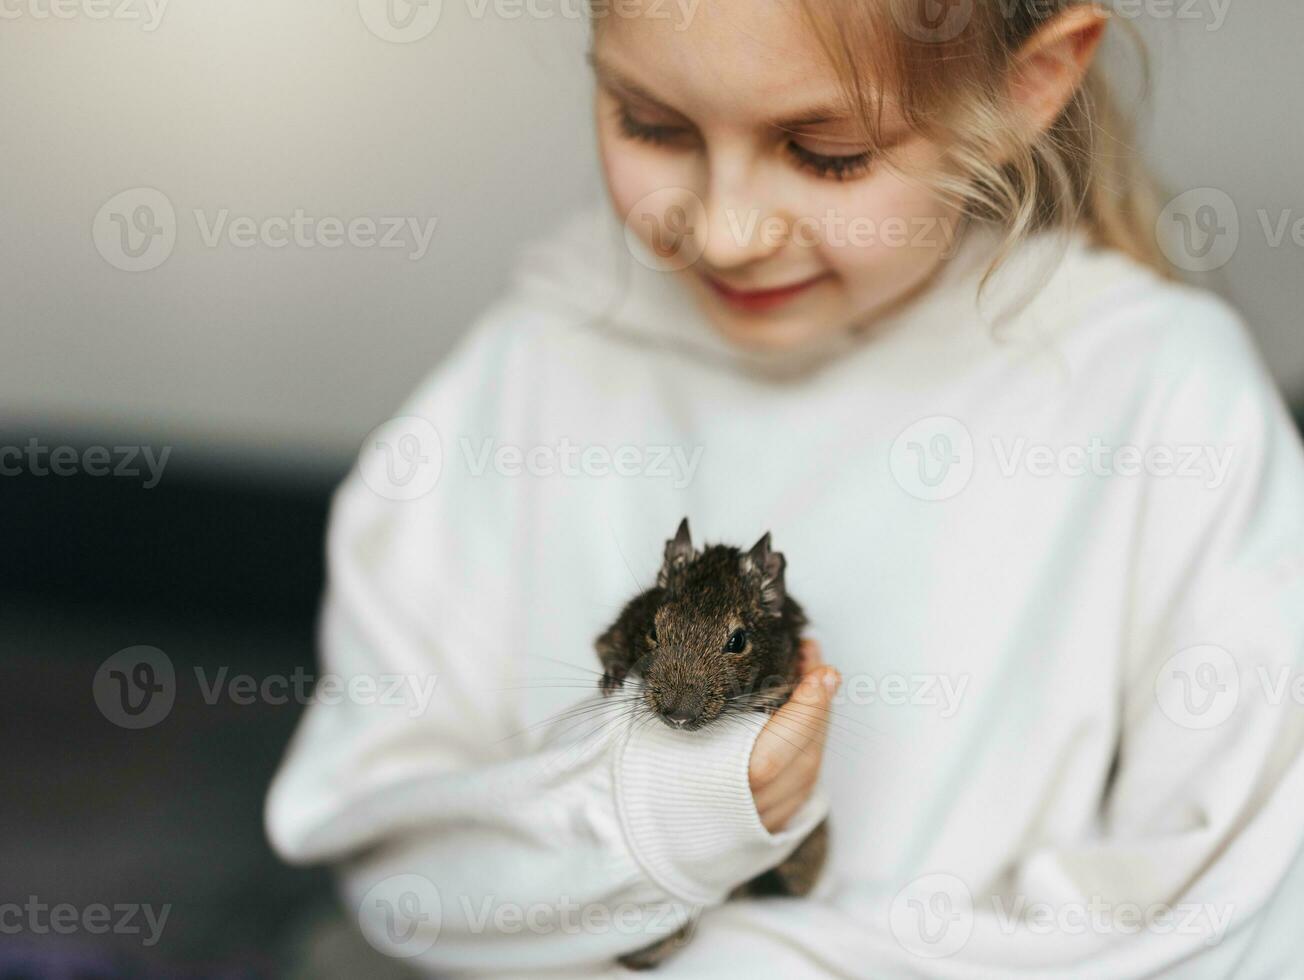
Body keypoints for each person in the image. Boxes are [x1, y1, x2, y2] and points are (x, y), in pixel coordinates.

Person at [265, 1, 1304, 976]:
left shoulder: (1163, 402)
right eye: (651, 125)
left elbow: (1224, 913)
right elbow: (388, 851)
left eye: (827, 155)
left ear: (1029, 86)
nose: (723, 232)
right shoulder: (531, 368)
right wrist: (646, 807)